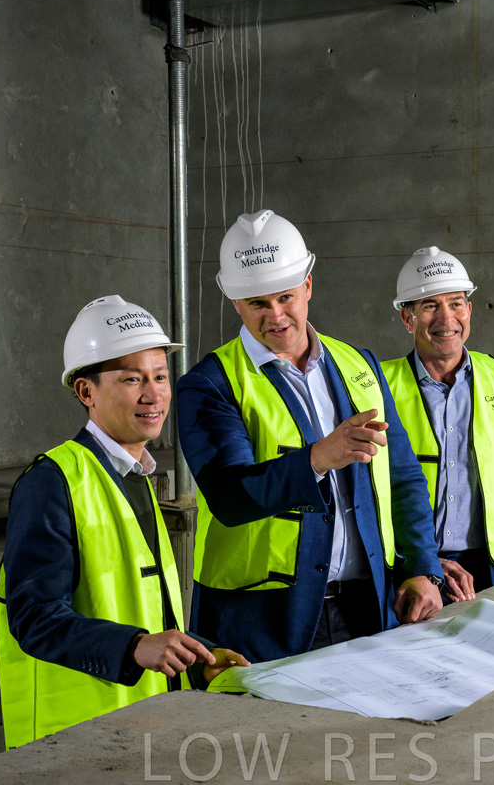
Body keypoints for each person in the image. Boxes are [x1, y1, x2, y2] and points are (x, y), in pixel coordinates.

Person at [176, 209, 445, 664]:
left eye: (286, 297)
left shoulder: (358, 364)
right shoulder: (210, 384)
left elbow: (402, 476)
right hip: (261, 621)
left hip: (368, 607)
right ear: (235, 302)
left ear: (308, 286)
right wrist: (318, 457)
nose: (276, 316)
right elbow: (230, 497)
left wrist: (423, 569)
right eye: (258, 304)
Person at [0, 295, 247, 749]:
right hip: (69, 741)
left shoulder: (136, 475)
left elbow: (143, 609)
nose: (153, 394)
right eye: (132, 379)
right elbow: (35, 618)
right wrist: (134, 647)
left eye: (160, 376)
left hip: (136, 728)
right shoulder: (52, 482)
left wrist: (197, 657)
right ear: (86, 392)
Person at [381, 247, 494, 602]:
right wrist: (420, 563)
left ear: (469, 310)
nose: (447, 318)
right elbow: (368, 495)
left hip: (488, 566)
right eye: (430, 306)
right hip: (410, 569)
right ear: (407, 318)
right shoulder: (378, 387)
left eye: (456, 303)